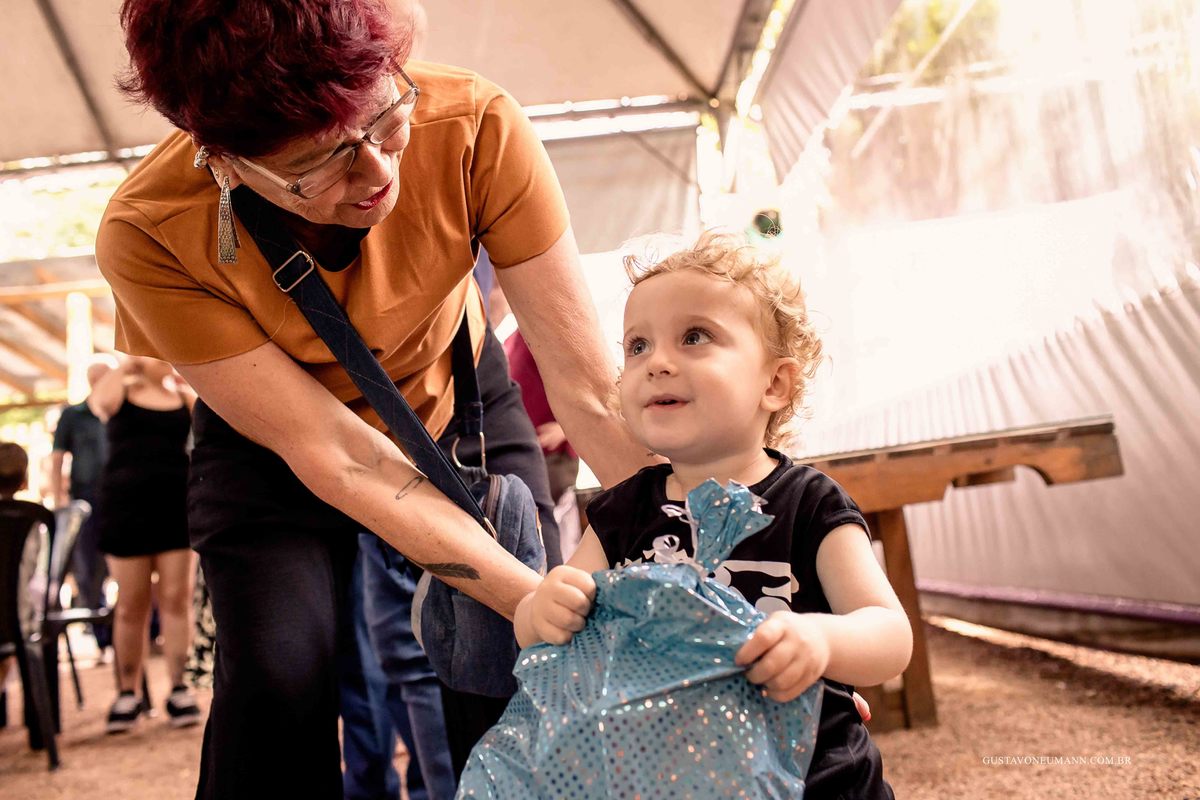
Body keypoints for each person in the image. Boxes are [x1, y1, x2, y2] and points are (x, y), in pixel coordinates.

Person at [98, 2, 651, 796]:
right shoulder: (150, 230)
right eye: (322, 161)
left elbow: (594, 396)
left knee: (512, 670)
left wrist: (730, 579)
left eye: (385, 116)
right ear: (222, 161)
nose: (380, 171)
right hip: (274, 444)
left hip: (455, 393)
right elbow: (341, 458)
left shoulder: (475, 123)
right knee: (277, 677)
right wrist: (525, 597)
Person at [515, 233, 912, 798]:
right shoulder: (624, 513)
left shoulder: (810, 504)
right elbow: (544, 622)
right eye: (637, 346)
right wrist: (541, 611)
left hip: (818, 780)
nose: (657, 364)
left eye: (694, 337)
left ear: (773, 383)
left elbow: (891, 634)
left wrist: (820, 640)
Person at [88, 355, 200, 734]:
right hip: (126, 508)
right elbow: (99, 403)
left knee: (175, 598)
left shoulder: (182, 396)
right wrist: (127, 364)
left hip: (175, 508)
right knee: (131, 604)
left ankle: (179, 687)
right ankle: (127, 691)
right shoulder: (120, 389)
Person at [47, 354, 118, 652]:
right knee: (87, 566)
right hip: (85, 499)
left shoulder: (119, 411)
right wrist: (59, 498)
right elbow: (57, 457)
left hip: (118, 498)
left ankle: (120, 625)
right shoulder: (72, 415)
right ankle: (97, 629)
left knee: (117, 564)